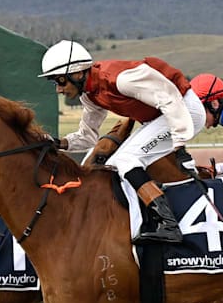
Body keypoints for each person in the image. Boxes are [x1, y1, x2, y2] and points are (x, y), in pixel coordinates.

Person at [41, 40, 206, 244]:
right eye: (55, 83)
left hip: (184, 111)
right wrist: (58, 143)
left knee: (127, 160)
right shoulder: (90, 96)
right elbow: (87, 137)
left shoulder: (121, 79)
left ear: (77, 73)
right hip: (162, 116)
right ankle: (137, 221)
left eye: (60, 81)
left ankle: (168, 224)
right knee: (114, 166)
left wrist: (179, 145)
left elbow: (170, 98)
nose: (58, 90)